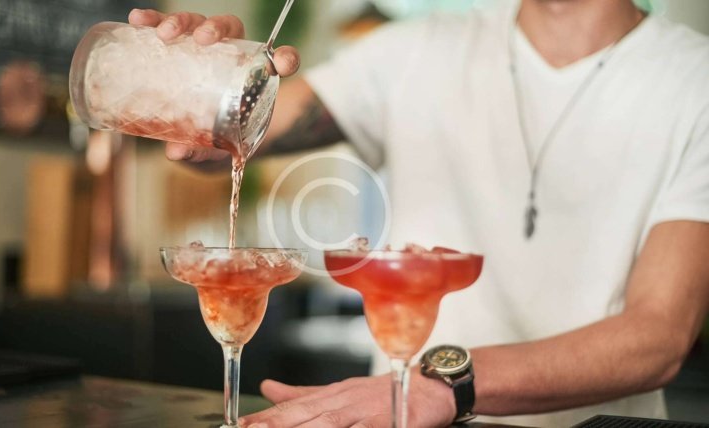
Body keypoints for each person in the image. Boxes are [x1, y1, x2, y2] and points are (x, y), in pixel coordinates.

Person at [128, 0, 709, 426]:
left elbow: (659, 337)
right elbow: (231, 134)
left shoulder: (693, 81)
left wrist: (441, 385)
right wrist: (194, 83)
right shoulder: (412, 51)